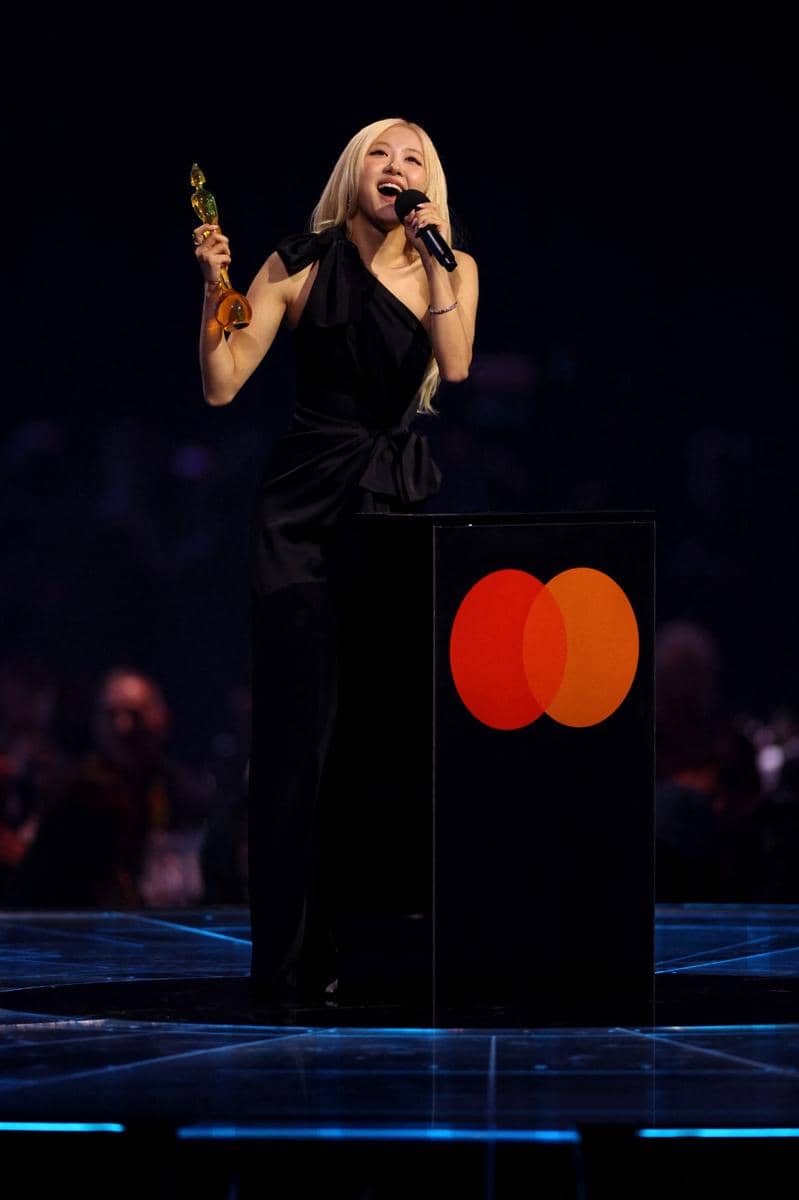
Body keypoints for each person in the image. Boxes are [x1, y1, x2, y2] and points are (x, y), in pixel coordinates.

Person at [193, 117, 479, 1006]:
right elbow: (223, 379)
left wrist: (435, 256)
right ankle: (285, 959)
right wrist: (216, 289)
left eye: (414, 158)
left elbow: (457, 365)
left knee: (379, 739)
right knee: (296, 741)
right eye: (382, 156)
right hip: (303, 510)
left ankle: (368, 947)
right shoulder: (300, 261)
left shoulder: (452, 266)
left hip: (391, 508)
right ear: (353, 171)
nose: (397, 169)